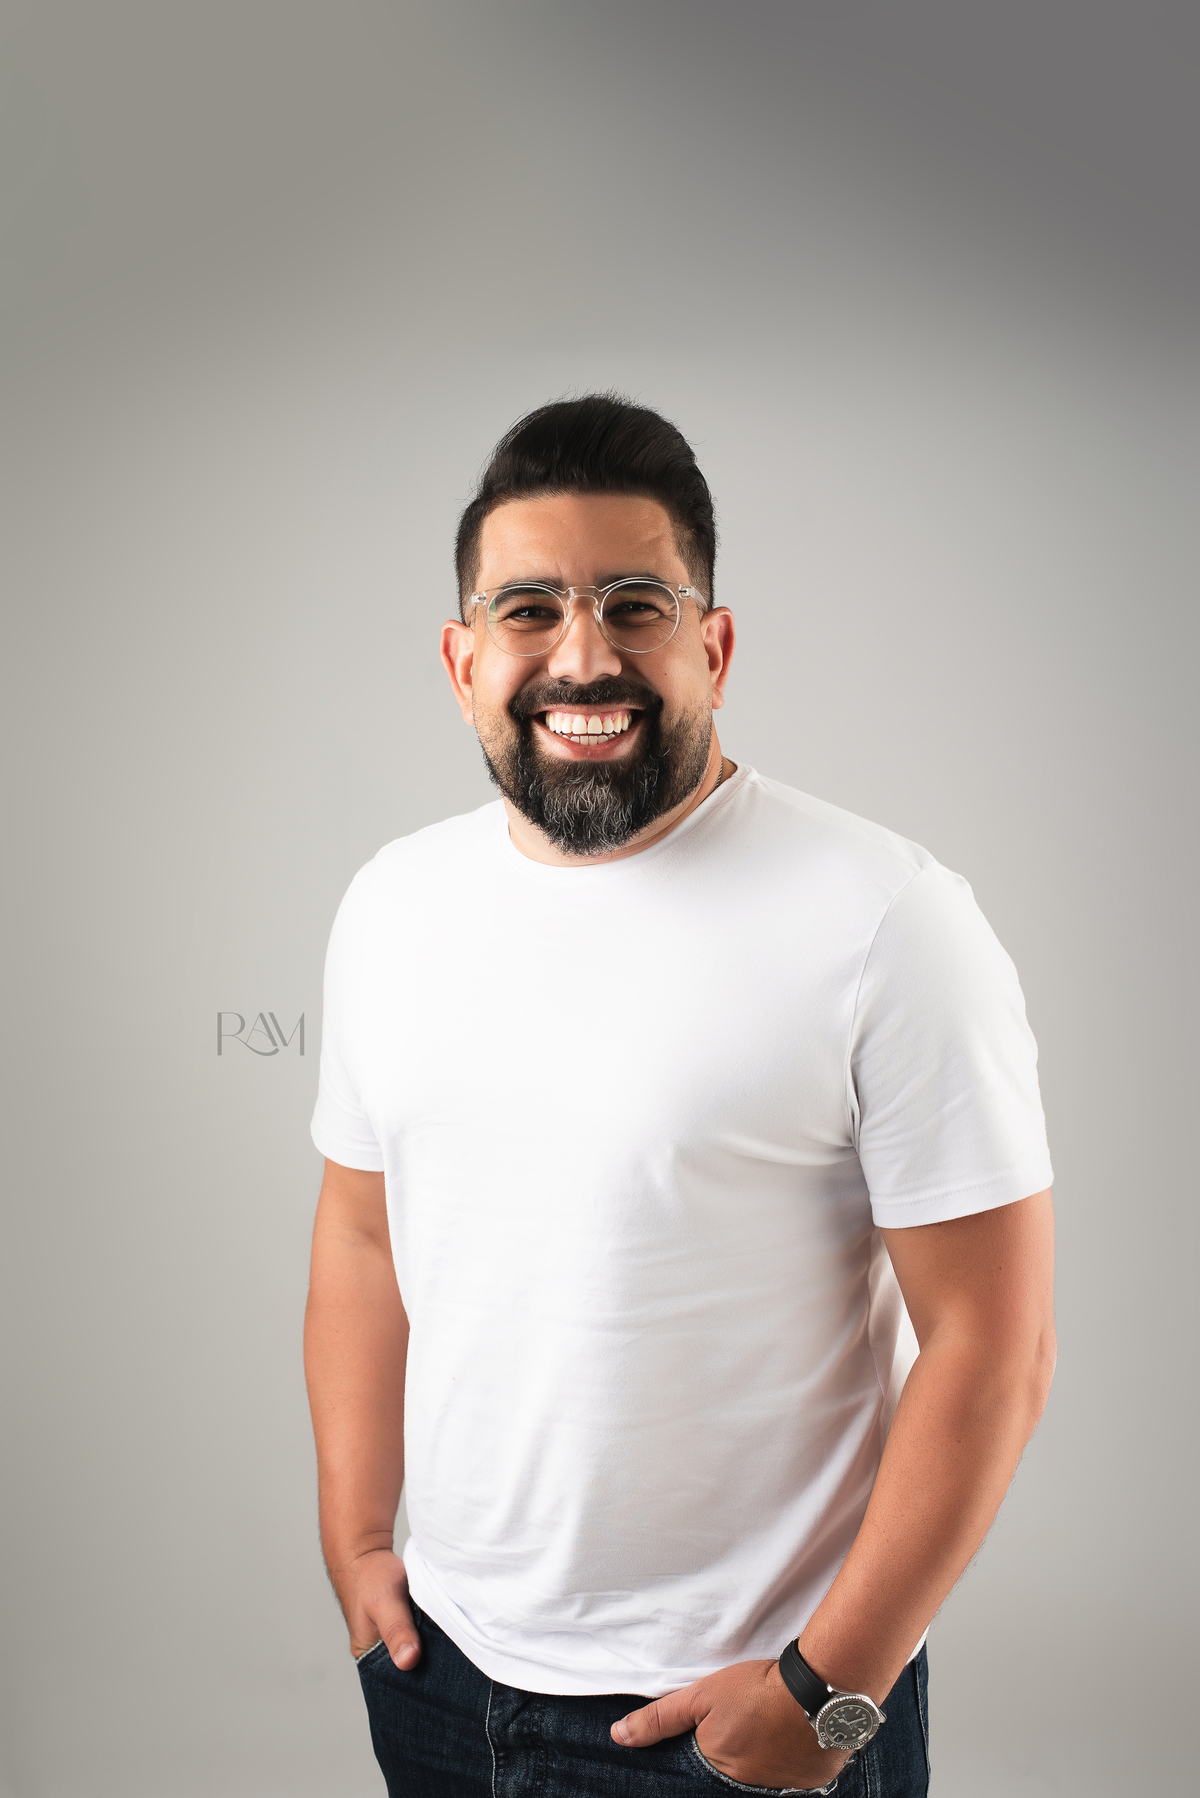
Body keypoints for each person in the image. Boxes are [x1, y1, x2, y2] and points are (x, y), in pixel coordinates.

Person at [304, 395, 1055, 1798]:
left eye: (634, 604)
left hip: (746, 1703)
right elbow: (359, 1232)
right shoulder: (392, 905)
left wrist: (829, 1693)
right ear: (463, 661)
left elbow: (992, 1344)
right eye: (529, 609)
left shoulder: (887, 919)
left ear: (713, 645)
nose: (583, 655)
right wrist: (355, 1542)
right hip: (441, 1683)